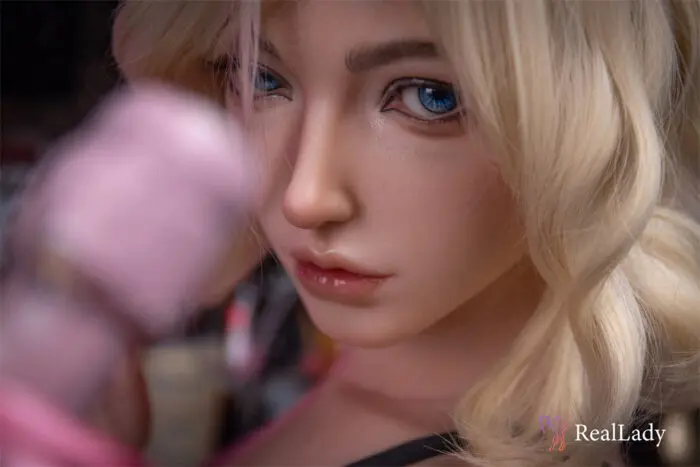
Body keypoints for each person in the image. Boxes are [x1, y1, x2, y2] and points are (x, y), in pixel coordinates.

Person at [1, 1, 699, 466]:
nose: (305, 197)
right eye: (260, 77)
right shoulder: (382, 369)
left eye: (430, 96)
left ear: (591, 124)